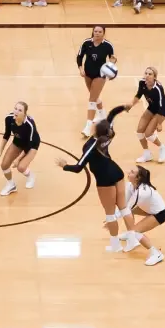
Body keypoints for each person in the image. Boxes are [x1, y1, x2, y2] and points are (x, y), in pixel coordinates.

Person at [59, 108, 127, 254]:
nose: (93, 122)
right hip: (117, 172)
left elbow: (78, 167)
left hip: (105, 179)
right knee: (124, 208)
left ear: (96, 130)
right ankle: (133, 238)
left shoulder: (91, 145)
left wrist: (64, 166)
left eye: (94, 122)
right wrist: (123, 107)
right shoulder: (109, 134)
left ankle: (115, 245)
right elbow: (112, 115)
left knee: (110, 214)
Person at [115, 165, 165, 267]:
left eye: (132, 172)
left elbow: (127, 208)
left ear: (138, 178)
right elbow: (124, 204)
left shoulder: (142, 192)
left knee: (135, 232)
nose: (128, 172)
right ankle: (130, 235)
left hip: (159, 214)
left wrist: (112, 219)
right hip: (149, 209)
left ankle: (156, 253)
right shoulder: (131, 185)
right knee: (130, 215)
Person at [75, 24, 114, 138]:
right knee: (95, 96)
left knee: (92, 99)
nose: (97, 33)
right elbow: (79, 56)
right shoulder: (86, 43)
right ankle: (103, 115)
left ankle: (87, 127)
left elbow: (112, 58)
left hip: (100, 75)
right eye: (95, 31)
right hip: (87, 74)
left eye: (99, 32)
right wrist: (81, 69)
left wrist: (110, 67)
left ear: (103, 33)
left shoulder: (107, 45)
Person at [0, 100, 39, 195]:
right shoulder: (9, 118)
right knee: (4, 165)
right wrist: (0, 152)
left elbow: (29, 144)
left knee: (21, 167)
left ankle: (31, 176)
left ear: (24, 113)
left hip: (31, 145)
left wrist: (18, 159)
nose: (16, 112)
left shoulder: (29, 124)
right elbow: (6, 135)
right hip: (18, 142)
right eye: (15, 109)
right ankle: (11, 185)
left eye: (19, 110)